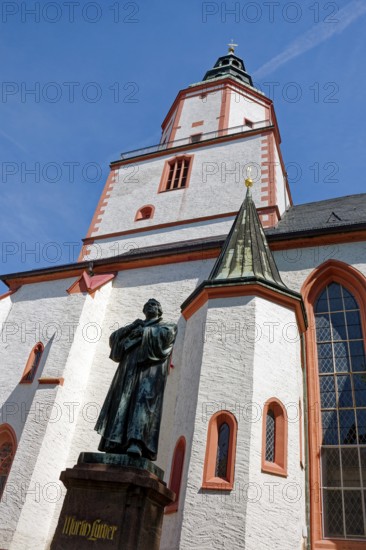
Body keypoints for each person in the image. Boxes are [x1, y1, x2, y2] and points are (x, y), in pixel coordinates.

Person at [95, 298, 177, 461]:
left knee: (142, 405)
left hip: (148, 373)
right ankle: (114, 442)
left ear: (159, 310)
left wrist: (144, 334)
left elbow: (168, 336)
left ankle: (137, 443)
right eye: (147, 305)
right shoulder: (136, 326)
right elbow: (114, 340)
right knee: (121, 403)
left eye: (154, 305)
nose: (150, 307)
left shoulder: (166, 325)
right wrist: (133, 327)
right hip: (128, 370)